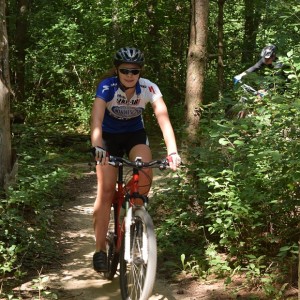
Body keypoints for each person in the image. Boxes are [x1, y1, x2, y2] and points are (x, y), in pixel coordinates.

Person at [90, 46, 181, 272]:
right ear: (117, 70)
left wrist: (172, 152)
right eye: (125, 71)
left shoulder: (148, 87)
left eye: (134, 71)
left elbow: (163, 119)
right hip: (108, 139)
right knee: (107, 189)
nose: (129, 75)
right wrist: (97, 145)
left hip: (134, 136)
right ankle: (100, 249)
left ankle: (134, 220)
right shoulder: (107, 86)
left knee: (144, 180)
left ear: (140, 72)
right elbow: (96, 119)